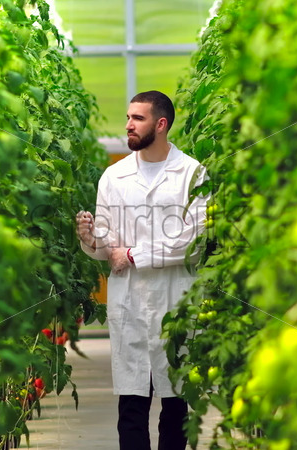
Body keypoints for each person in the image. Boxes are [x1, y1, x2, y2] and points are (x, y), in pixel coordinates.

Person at [75, 91, 209, 450]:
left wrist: (133, 255)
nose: (128, 125)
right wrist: (90, 239)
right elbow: (108, 245)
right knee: (131, 406)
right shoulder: (114, 177)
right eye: (129, 117)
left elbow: (192, 240)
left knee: (175, 406)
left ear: (161, 124)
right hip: (130, 303)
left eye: (138, 118)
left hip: (174, 300)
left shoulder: (192, 173)